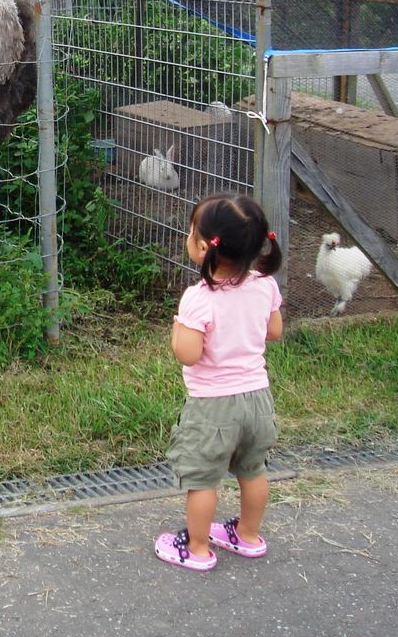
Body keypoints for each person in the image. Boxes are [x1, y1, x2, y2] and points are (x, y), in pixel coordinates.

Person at [155, 192, 284, 571]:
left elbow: (189, 354)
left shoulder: (199, 298)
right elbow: (273, 331)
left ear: (202, 246)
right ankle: (247, 535)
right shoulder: (265, 285)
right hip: (258, 399)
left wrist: (178, 328)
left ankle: (196, 548)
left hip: (213, 407)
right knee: (253, 469)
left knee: (204, 479)